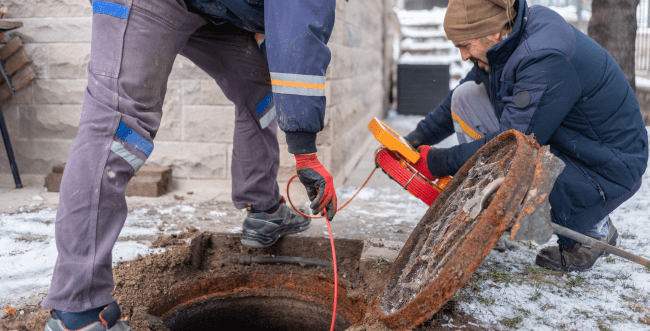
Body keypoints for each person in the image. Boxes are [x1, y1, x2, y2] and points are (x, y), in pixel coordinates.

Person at [41, 0, 338, 330]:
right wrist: (305, 152)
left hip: (215, 10)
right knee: (119, 122)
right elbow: (300, 34)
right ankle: (78, 310)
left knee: (259, 89)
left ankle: (264, 210)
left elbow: (286, 35)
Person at [404, 0, 647, 273]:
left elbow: (512, 143)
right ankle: (493, 201)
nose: (462, 55)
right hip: (569, 138)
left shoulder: (543, 57)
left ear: (493, 32)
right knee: (467, 96)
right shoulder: (509, 39)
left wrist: (437, 162)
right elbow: (460, 98)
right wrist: (416, 138)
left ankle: (593, 232)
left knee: (520, 172)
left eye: (464, 45)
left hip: (605, 164)